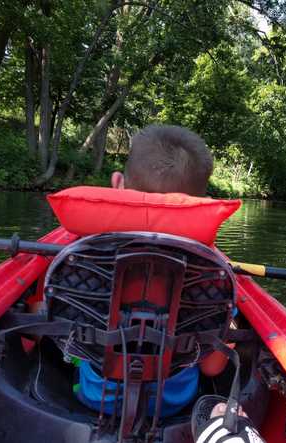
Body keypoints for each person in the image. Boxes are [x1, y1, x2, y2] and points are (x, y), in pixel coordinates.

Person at [111, 125, 265, 443]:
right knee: (222, 399)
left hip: (89, 397)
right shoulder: (212, 272)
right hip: (175, 405)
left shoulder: (78, 257)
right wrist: (230, 318)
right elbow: (212, 368)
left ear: (117, 184)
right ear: (201, 203)